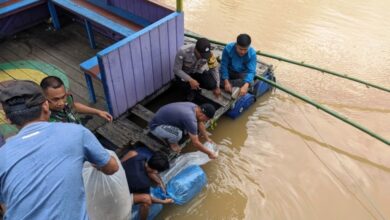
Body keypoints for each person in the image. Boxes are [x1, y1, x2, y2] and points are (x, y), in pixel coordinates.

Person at [0, 80, 119, 219]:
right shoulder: (76, 133)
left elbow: (5, 201)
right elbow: (112, 168)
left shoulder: (2, 155)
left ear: (7, 119)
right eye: (55, 99)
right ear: (46, 105)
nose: (62, 102)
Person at [149, 102, 218, 159]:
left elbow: (200, 122)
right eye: (206, 119)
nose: (205, 121)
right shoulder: (190, 118)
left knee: (188, 130)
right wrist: (209, 153)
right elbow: (196, 143)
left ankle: (170, 135)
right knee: (178, 134)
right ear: (202, 115)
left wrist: (207, 138)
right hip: (156, 126)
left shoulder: (194, 107)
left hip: (162, 117)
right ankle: (173, 144)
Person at [121, 150, 173, 220]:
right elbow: (149, 199)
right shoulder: (143, 183)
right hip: (118, 194)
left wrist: (160, 183)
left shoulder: (135, 155)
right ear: (156, 171)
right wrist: (164, 202)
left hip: (116, 179)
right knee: (146, 201)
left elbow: (148, 170)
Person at [40, 76, 113, 124]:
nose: (61, 103)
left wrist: (98, 112)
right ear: (44, 98)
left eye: (63, 97)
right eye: (55, 99)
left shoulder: (67, 98)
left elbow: (73, 106)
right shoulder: (42, 118)